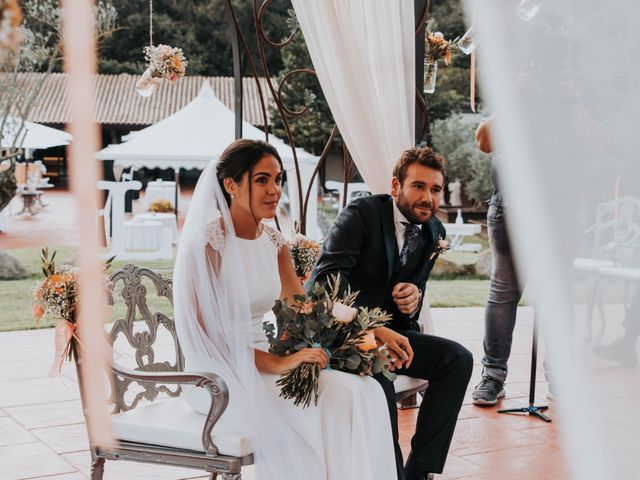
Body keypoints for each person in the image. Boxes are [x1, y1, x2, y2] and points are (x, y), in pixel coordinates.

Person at [173, 139, 397, 480]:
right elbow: (209, 338)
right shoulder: (206, 246)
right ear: (231, 185)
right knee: (329, 402)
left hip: (261, 362)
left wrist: (366, 330)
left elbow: (302, 307)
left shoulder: (274, 241)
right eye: (262, 180)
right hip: (217, 376)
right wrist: (279, 362)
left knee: (364, 391)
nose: (274, 190)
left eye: (277, 180)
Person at [310, 146, 474, 480]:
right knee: (380, 377)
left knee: (458, 359)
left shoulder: (434, 233)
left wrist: (414, 297)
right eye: (419, 186)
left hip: (393, 337)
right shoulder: (362, 215)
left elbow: (414, 289)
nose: (428, 197)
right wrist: (368, 328)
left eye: (436, 189)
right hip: (344, 336)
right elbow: (323, 285)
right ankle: (391, 473)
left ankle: (419, 471)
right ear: (396, 186)